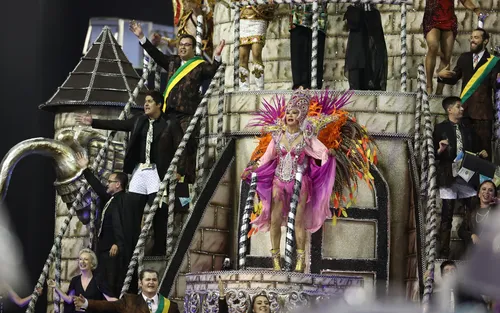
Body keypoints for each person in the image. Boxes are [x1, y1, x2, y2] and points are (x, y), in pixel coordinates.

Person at [242, 90, 376, 272]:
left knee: (298, 222)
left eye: (294, 113)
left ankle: (300, 261)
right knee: (274, 221)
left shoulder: (306, 138)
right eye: (288, 112)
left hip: (300, 184)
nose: (290, 115)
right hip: (278, 182)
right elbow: (265, 159)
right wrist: (253, 169)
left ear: (301, 116)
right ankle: (275, 261)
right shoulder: (276, 137)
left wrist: (328, 154)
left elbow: (321, 152)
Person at [76, 90, 184, 256]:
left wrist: (180, 171)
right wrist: (93, 122)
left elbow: (183, 146)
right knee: (130, 210)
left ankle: (159, 250)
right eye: (145, 101)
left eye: (149, 101)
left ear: (159, 105)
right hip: (140, 170)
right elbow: (119, 125)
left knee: (159, 211)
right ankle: (129, 248)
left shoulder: (170, 123)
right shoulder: (139, 120)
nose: (145, 104)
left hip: (157, 171)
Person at [129, 20, 225, 186]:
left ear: (192, 48)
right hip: (168, 114)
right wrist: (142, 37)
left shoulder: (199, 65)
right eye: (180, 44)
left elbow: (212, 71)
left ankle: (186, 187)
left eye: (187, 45)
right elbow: (155, 54)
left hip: (187, 115)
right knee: (164, 146)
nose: (182, 47)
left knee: (187, 148)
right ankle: (163, 182)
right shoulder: (172, 62)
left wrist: (216, 56)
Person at [76, 152, 138, 296]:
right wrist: (86, 169)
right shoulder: (110, 199)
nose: (107, 184)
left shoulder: (124, 200)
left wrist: (118, 243)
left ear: (118, 184)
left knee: (112, 283)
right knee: (102, 283)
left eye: (110, 181)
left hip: (113, 250)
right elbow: (98, 188)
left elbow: (125, 226)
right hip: (104, 249)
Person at [433, 96, 487, 258]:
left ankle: (471, 250)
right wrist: (440, 150)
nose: (462, 109)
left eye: (461, 107)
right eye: (458, 106)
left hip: (467, 174)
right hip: (448, 173)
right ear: (449, 110)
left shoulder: (468, 129)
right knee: (446, 213)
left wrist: (482, 153)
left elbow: (477, 150)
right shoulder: (440, 128)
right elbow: (433, 154)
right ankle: (443, 252)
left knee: (471, 212)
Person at [438, 29, 500, 158]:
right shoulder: (464, 58)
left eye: (476, 37)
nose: (472, 40)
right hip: (464, 111)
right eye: (471, 37)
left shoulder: (494, 61)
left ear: (485, 41)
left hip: (483, 114)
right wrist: (441, 76)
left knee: (484, 151)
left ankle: (484, 179)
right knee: (465, 149)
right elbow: (454, 77)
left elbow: (495, 84)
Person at [423, 0, 482, 95]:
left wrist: (474, 9)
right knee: (433, 47)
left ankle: (439, 92)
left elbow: (465, 1)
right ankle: (429, 86)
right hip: (432, 18)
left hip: (449, 20)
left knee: (446, 57)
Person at [74, 269, 180, 313]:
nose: (151, 283)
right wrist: (87, 303)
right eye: (147, 279)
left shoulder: (170, 306)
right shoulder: (129, 301)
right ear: (140, 283)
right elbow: (108, 306)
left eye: (154, 280)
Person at [48, 249, 117, 313]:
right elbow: (69, 299)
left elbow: (109, 299)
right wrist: (56, 287)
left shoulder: (98, 280)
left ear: (92, 263)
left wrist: (122, 303)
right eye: (80, 259)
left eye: (86, 259)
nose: (82, 262)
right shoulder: (75, 280)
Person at [344, 3, 388, 91]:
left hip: (371, 16)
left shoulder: (374, 14)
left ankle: (371, 81)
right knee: (357, 55)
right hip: (357, 18)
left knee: (374, 55)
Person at [237, 3, 276, 90]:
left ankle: (259, 88)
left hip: (259, 17)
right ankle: (244, 89)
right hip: (244, 18)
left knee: (256, 53)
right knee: (242, 56)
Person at [290, 3, 327, 89]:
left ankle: (315, 88)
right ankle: (300, 88)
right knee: (298, 53)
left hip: (318, 13)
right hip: (299, 14)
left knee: (317, 51)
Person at [458, 180, 497, 249]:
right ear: (479, 194)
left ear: (494, 195)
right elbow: (461, 231)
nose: (486, 192)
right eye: (484, 189)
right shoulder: (472, 212)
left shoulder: (496, 213)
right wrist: (472, 235)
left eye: (490, 190)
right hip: (473, 253)